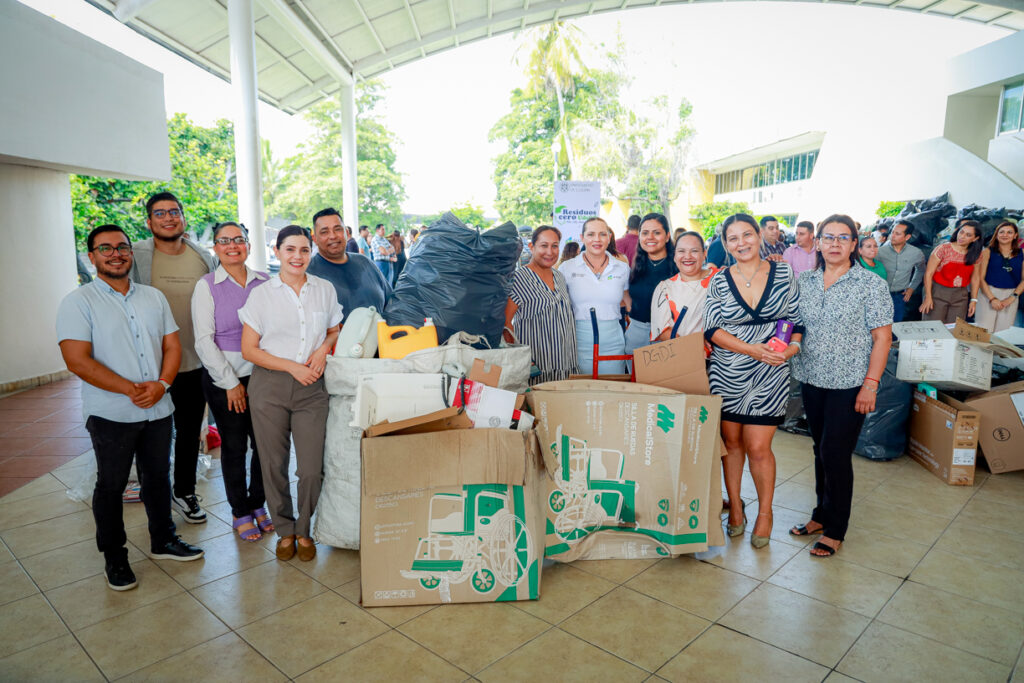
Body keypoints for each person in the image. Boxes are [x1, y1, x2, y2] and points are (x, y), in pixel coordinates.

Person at [58, 225, 203, 591]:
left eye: (121, 247)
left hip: (158, 408)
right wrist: (131, 390)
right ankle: (115, 556)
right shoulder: (78, 302)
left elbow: (173, 346)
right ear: (91, 257)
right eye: (105, 248)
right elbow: (77, 360)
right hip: (112, 413)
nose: (116, 253)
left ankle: (163, 540)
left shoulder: (153, 298)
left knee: (158, 478)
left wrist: (162, 385)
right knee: (111, 484)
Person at [791, 214, 892, 558]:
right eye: (828, 237)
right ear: (817, 242)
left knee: (835, 453)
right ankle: (820, 514)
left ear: (854, 243)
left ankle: (836, 528)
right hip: (812, 377)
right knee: (819, 450)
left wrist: (871, 384)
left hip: (851, 383)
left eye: (842, 238)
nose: (834, 244)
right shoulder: (804, 280)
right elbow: (794, 324)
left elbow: (882, 338)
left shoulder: (871, 284)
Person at [240, 226, 342, 562]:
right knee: (273, 464)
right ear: (277, 251)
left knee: (312, 468)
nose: (297, 257)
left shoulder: (324, 290)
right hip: (269, 385)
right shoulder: (261, 295)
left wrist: (324, 349)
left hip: (313, 386)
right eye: (290, 250)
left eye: (303, 250)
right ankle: (285, 531)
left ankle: (304, 527)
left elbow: (333, 329)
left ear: (310, 252)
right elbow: (249, 350)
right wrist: (292, 367)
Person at [704, 214, 802, 549]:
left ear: (759, 236)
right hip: (728, 372)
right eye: (733, 238)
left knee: (759, 447)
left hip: (771, 371)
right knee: (732, 445)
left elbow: (795, 320)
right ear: (725, 244)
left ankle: (765, 513)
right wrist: (750, 350)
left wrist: (789, 351)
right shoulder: (718, 280)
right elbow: (712, 330)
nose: (741, 243)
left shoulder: (784, 272)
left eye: (747, 235)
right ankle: (734, 510)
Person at [130, 191, 216, 525]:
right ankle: (153, 492)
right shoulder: (136, 255)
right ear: (149, 221)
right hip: (149, 365)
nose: (168, 218)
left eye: (174, 211)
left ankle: (184, 491)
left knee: (189, 430)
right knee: (151, 435)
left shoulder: (201, 255)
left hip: (194, 362)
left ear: (183, 217)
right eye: (160, 213)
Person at [191, 222, 272, 543]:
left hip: (265, 378)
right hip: (225, 379)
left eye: (239, 239)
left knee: (267, 446)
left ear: (249, 245)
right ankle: (240, 510)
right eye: (224, 241)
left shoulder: (266, 283)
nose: (232, 245)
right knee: (236, 447)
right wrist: (230, 382)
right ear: (216, 247)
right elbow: (203, 340)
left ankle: (258, 503)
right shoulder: (207, 286)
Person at [503, 226, 577, 383]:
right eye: (544, 245)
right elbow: (506, 322)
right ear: (532, 247)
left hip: (565, 365)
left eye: (554, 246)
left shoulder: (560, 277)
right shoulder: (519, 278)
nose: (549, 252)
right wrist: (518, 357)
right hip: (536, 369)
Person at [559, 217, 630, 375]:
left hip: (613, 341)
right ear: (582, 237)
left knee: (611, 391)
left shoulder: (622, 268)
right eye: (591, 234)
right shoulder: (566, 268)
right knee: (583, 394)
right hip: (578, 341)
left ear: (609, 237)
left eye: (602, 234)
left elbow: (628, 301)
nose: (597, 239)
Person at [306, 207, 391, 322]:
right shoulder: (307, 273)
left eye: (337, 229)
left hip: (383, 337)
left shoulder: (365, 263)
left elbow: (391, 302)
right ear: (315, 239)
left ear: (346, 233)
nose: (333, 236)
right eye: (324, 232)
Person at [651, 231, 720, 341]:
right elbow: (662, 331)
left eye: (694, 251)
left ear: (705, 254)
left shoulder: (721, 279)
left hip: (725, 354)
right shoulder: (665, 288)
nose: (687, 256)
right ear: (675, 256)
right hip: (685, 354)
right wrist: (693, 347)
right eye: (681, 251)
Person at [624, 213, 677, 356]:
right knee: (633, 378)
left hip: (667, 336)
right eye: (645, 233)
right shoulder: (637, 265)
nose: (650, 237)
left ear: (667, 236)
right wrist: (631, 309)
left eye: (657, 233)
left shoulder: (679, 266)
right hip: (636, 333)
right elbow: (626, 291)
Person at [920, 220, 982, 323]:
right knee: (934, 328)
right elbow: (928, 274)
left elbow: (975, 278)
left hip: (961, 295)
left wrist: (973, 300)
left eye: (968, 235)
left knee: (954, 329)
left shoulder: (976, 254)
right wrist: (928, 297)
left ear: (975, 238)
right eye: (961, 232)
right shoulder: (943, 249)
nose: (962, 236)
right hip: (937, 292)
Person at [974, 220, 1023, 333]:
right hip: (988, 293)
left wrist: (1012, 297)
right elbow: (981, 278)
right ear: (996, 235)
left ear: (1015, 235)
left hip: (1011, 295)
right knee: (983, 331)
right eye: (1001, 232)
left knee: (1003, 333)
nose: (1005, 235)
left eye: (1009, 232)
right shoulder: (987, 252)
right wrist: (992, 299)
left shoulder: (1022, 253)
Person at [875, 220, 925, 323]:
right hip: (879, 295)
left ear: (907, 237)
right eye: (892, 232)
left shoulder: (916, 253)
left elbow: (920, 270)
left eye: (897, 234)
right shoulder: (879, 252)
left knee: (896, 326)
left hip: (899, 297)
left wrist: (912, 288)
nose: (892, 236)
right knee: (878, 325)